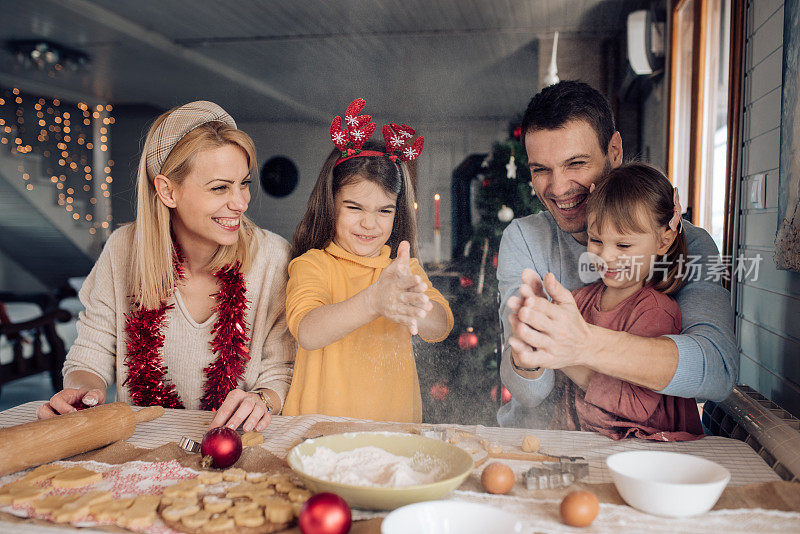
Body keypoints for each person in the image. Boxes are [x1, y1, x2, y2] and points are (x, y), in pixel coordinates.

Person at [38, 101, 295, 433]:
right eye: (220, 187)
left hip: (239, 447)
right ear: (167, 190)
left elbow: (282, 369)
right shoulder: (122, 249)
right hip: (141, 450)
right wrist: (84, 391)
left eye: (243, 183)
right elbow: (91, 354)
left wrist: (262, 399)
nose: (241, 202)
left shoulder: (273, 257)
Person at [498, 81, 736, 428]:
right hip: (541, 442)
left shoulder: (689, 245)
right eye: (540, 170)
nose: (558, 187)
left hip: (640, 450)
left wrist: (582, 343)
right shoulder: (524, 238)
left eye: (576, 163)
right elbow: (530, 394)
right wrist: (527, 353)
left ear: (614, 150)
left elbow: (716, 370)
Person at [282, 99, 454, 423]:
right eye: (354, 208)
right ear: (330, 204)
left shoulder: (403, 271)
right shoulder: (313, 265)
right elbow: (307, 331)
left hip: (394, 432)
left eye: (384, 211)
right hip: (318, 435)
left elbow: (440, 327)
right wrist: (375, 301)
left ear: (397, 212)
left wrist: (414, 304)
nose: (369, 224)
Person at [537, 163, 704, 441]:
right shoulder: (579, 301)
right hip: (587, 444)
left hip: (648, 451)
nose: (607, 256)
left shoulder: (655, 311)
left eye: (623, 245)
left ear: (664, 241)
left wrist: (564, 356)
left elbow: (637, 407)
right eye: (596, 240)